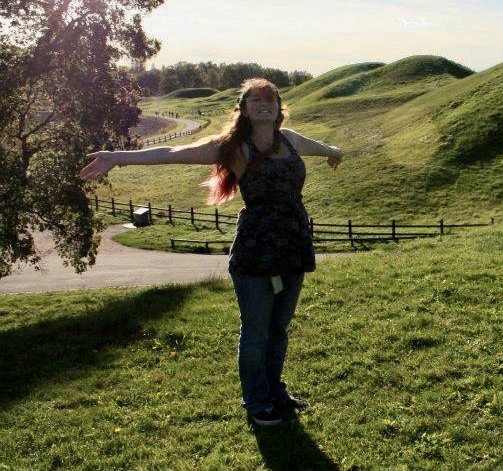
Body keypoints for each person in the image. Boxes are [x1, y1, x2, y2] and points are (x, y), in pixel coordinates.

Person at [80, 77, 343, 427]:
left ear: (280, 107)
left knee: (279, 327)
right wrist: (117, 157)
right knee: (256, 329)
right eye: (256, 100)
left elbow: (318, 146)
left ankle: (275, 391)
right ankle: (257, 401)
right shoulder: (233, 148)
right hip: (255, 247)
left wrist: (334, 153)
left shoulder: (290, 140)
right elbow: (172, 153)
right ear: (245, 109)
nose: (264, 104)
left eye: (271, 99)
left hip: (293, 241)